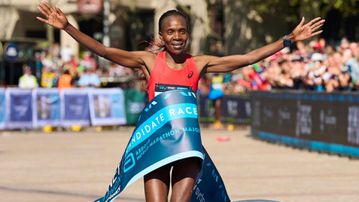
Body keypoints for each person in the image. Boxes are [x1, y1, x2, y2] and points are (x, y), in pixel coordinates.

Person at [37, 1, 324, 201]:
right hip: (155, 150)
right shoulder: (148, 61)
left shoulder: (198, 64)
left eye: (182, 31)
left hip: (187, 151)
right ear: (162, 35)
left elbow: (246, 59)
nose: (177, 36)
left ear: (188, 34)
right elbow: (102, 50)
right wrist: (67, 27)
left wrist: (288, 39)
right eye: (171, 31)